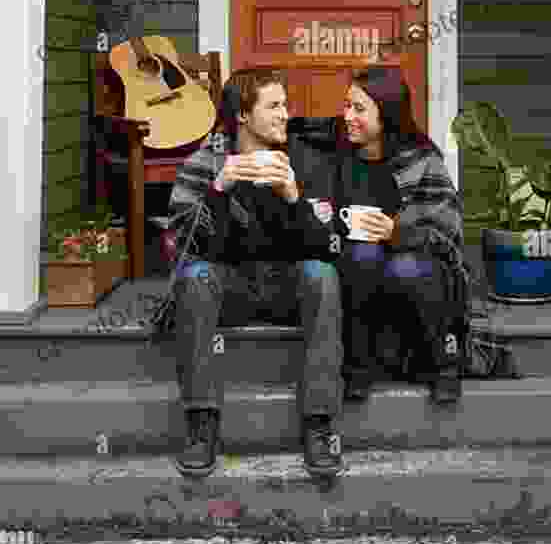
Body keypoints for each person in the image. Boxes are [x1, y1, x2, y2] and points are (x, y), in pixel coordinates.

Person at [152, 68, 345, 481]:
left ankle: (318, 422)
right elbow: (186, 245)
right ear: (242, 114)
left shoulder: (306, 161)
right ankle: (201, 422)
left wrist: (294, 199)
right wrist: (220, 190)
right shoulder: (206, 162)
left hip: (285, 287)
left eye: (285, 105)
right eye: (274, 106)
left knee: (322, 275)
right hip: (230, 287)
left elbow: (327, 247)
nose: (284, 115)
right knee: (196, 276)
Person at [288, 66, 521, 400]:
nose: (347, 116)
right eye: (346, 106)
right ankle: (358, 368)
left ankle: (443, 366)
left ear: (388, 114)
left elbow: (447, 237)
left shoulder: (421, 160)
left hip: (418, 272)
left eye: (359, 108)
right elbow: (287, 128)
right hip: (359, 271)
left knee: (405, 265)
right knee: (362, 253)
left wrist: (395, 233)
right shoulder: (337, 146)